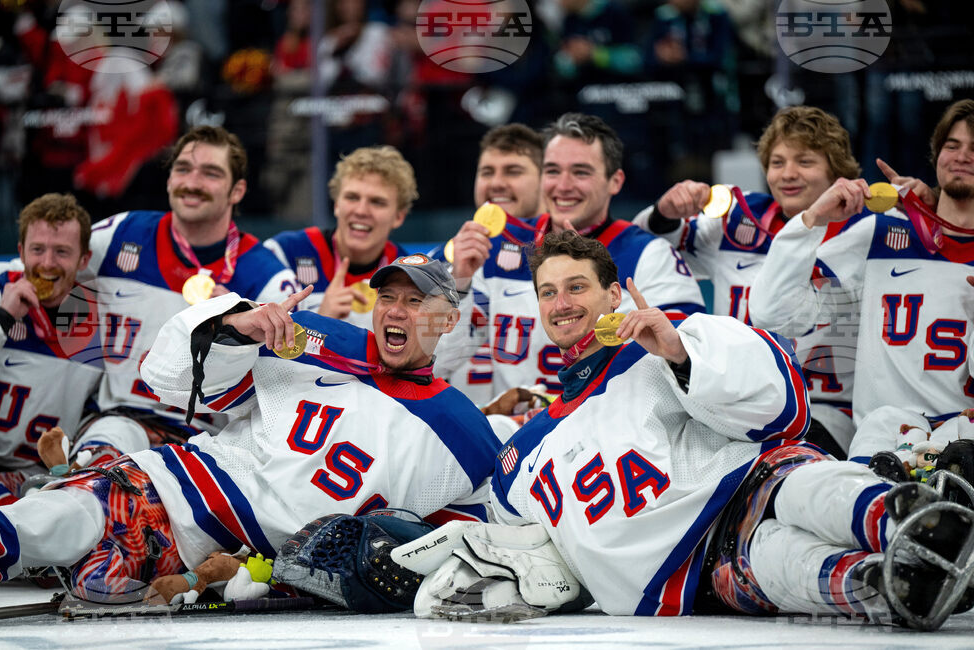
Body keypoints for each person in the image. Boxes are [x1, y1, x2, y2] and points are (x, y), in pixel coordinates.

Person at [395, 231, 974, 631]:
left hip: (746, 483)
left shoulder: (659, 347)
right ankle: (902, 583)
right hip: (690, 576)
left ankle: (915, 522)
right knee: (794, 570)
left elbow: (779, 404)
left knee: (804, 490)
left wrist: (678, 355)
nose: (560, 302)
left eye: (577, 287)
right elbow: (532, 549)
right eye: (548, 291)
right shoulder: (519, 457)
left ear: (614, 296)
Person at [0, 254, 499, 602]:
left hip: (225, 563)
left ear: (449, 320)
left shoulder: (466, 434)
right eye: (388, 298)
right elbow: (166, 377)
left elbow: (462, 542)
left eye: (415, 301)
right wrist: (230, 327)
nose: (396, 311)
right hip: (164, 489)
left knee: (77, 569)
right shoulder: (304, 338)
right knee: (45, 524)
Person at [434, 113, 704, 419]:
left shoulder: (651, 256)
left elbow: (691, 365)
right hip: (517, 440)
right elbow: (436, 361)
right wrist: (459, 285)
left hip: (612, 433)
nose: (563, 186)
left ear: (615, 181)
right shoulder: (495, 249)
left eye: (581, 172)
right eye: (552, 171)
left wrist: (590, 278)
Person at [748, 99, 974, 464]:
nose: (962, 156)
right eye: (952, 145)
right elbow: (772, 314)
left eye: (973, 148)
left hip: (965, 444)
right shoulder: (880, 232)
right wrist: (813, 219)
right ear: (936, 155)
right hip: (880, 438)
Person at [634, 106, 864, 457]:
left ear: (836, 171)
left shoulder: (863, 234)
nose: (788, 174)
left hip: (823, 408)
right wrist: (665, 211)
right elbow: (645, 248)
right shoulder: (737, 220)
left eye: (804, 162)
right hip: (731, 396)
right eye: (777, 162)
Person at [67, 126, 297, 467]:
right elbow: (40, 267)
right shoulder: (122, 233)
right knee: (96, 464)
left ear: (237, 191)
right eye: (183, 169)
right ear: (169, 179)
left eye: (211, 173)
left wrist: (235, 332)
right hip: (116, 422)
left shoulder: (269, 279)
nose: (192, 182)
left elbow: (285, 385)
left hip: (207, 445)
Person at [0, 194, 103, 507]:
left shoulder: (103, 320)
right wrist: (0, 320)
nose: (46, 263)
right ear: (20, 251)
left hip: (42, 473)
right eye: (37, 249)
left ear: (83, 260)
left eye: (61, 252)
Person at [432, 124, 545, 405]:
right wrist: (458, 282)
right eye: (486, 172)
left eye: (513, 171)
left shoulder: (572, 259)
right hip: (465, 433)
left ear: (547, 180)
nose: (496, 183)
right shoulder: (438, 260)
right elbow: (424, 362)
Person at [265, 146, 414, 329]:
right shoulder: (284, 253)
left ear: (399, 216)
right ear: (336, 205)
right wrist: (320, 321)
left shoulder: (409, 274)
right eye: (352, 197)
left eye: (377, 202)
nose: (361, 211)